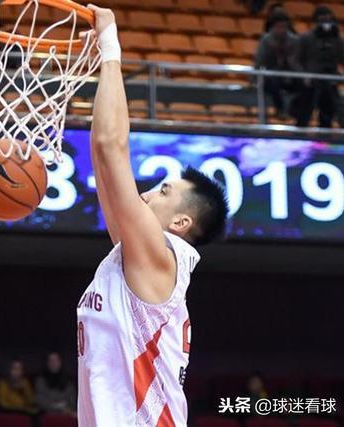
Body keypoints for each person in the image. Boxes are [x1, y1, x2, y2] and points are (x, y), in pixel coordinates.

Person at [78, 5, 229, 426]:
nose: (145, 194)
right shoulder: (137, 257)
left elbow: (111, 147)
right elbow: (101, 154)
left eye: (163, 191)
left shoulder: (161, 256)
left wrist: (111, 44)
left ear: (181, 223)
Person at [293, 6, 344, 128]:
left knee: (328, 114)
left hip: (330, 80)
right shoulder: (306, 38)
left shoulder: (337, 39)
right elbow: (296, 60)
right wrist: (303, 76)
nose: (326, 23)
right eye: (323, 19)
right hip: (311, 82)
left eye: (329, 19)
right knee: (304, 113)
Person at [255, 11, 301, 119]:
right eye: (279, 27)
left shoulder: (294, 40)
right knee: (272, 81)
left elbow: (298, 62)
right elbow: (260, 61)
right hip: (271, 75)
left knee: (305, 85)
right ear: (273, 27)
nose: (282, 30)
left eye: (284, 27)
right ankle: (280, 110)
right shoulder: (266, 40)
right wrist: (254, 80)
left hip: (290, 74)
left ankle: (295, 111)